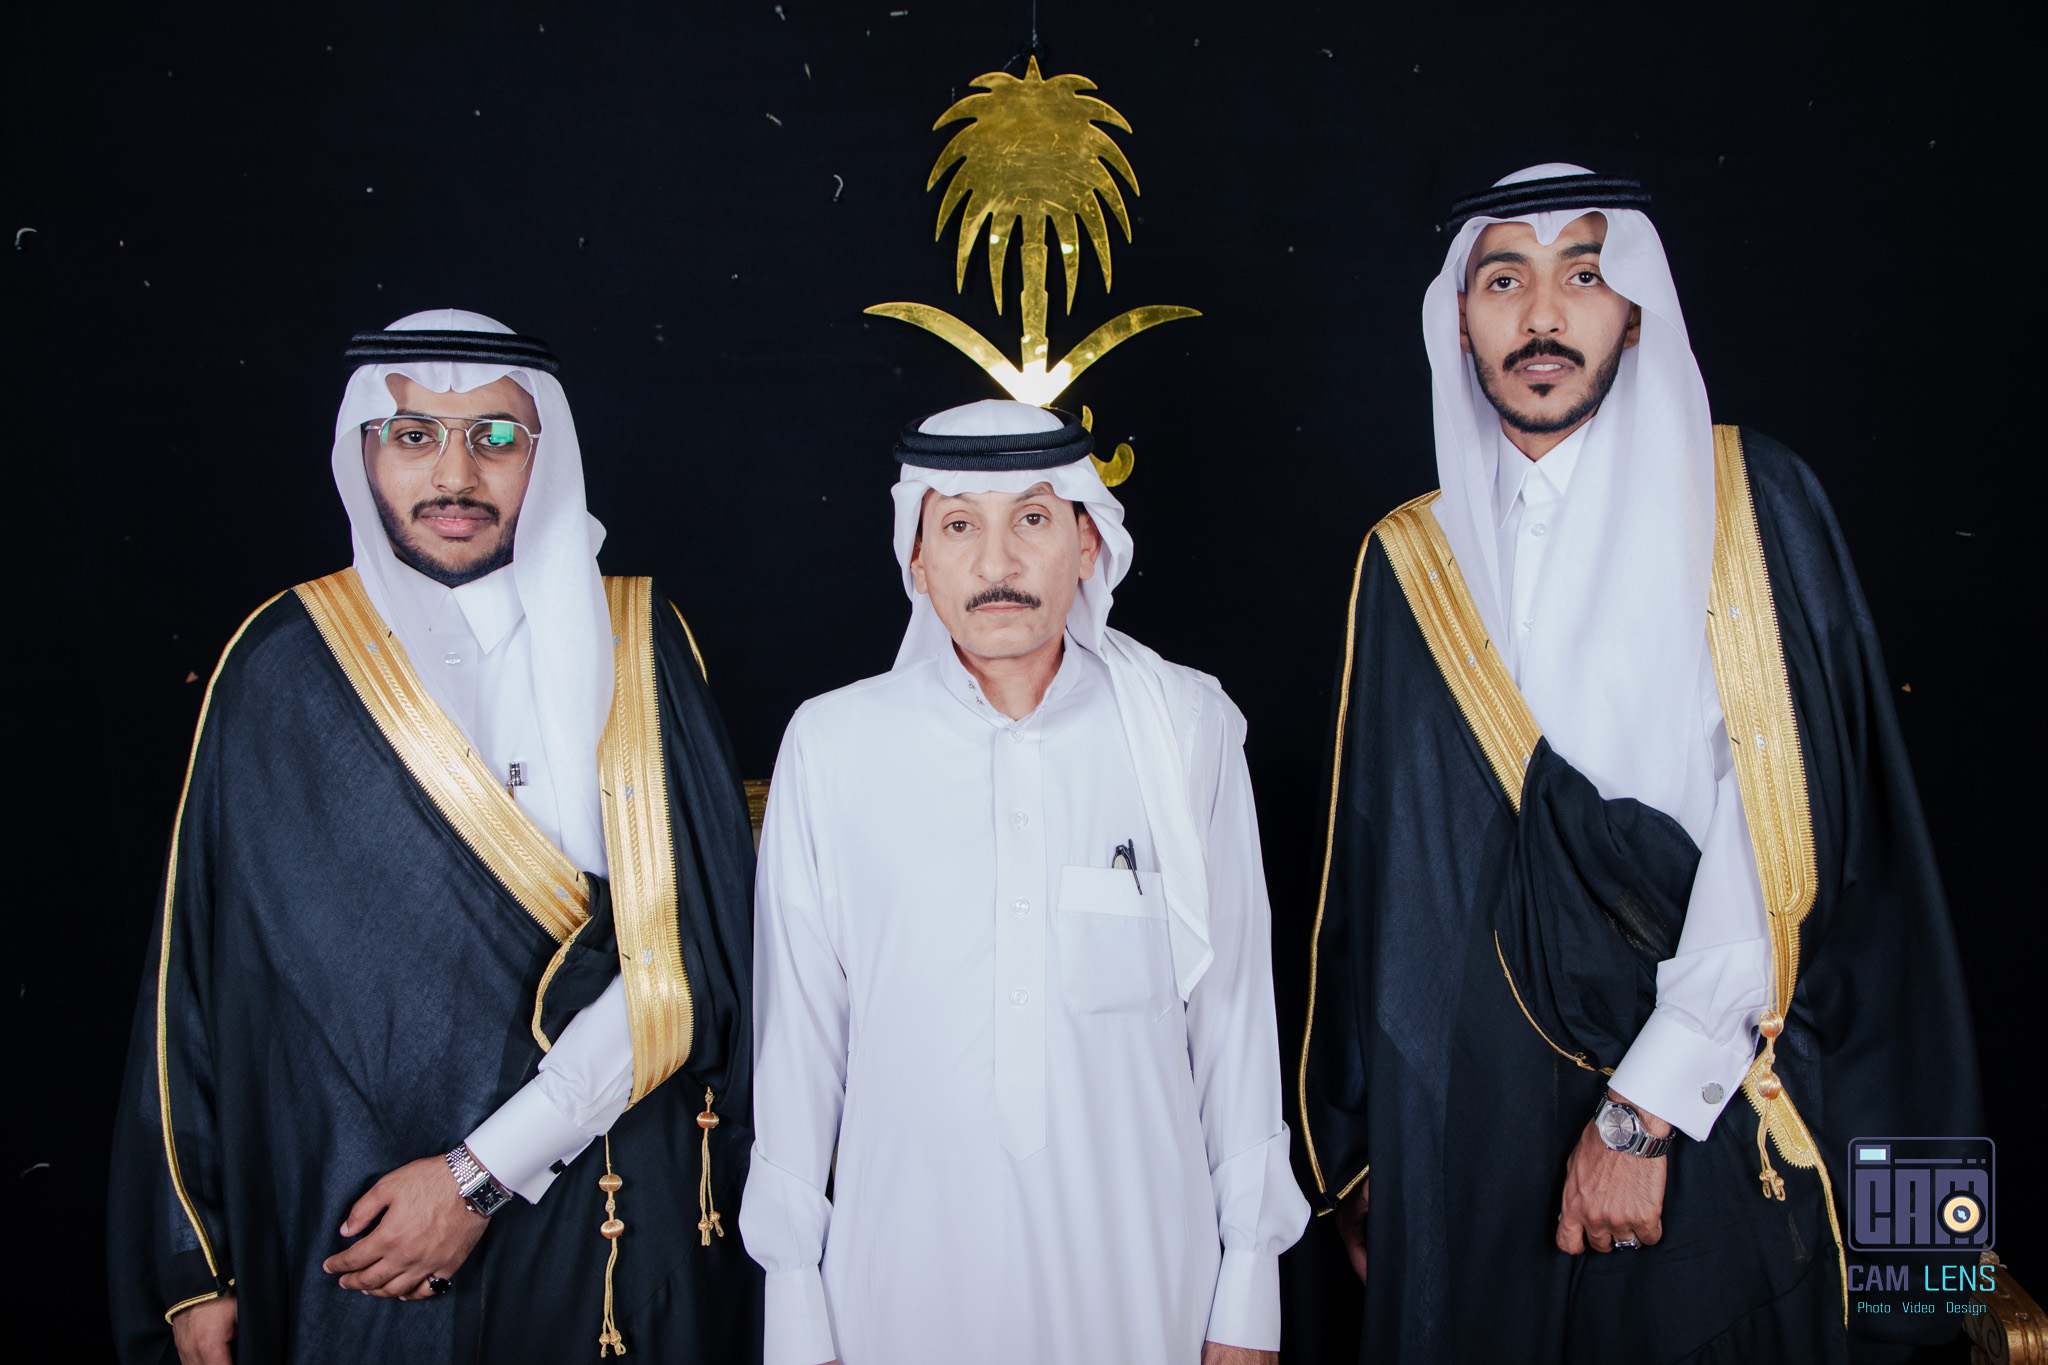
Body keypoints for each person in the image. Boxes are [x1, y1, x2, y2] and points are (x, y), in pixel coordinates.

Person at [1296, 166, 1982, 1361]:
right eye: (1503, 281)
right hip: (1480, 1146)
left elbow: (1784, 831)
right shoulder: (1409, 560)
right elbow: (1377, 881)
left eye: (1583, 274)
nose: (1541, 315)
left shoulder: (1749, 502)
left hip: (1716, 1109)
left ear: (1632, 313)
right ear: (1457, 319)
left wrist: (1640, 1114)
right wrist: (1368, 1157)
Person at [109, 310, 760, 1364]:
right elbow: (192, 981)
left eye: (495, 437)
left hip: (596, 1204)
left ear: (543, 452)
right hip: (348, 1228)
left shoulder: (637, 642)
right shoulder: (278, 663)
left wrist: (478, 1175)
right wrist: (198, 1264)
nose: (455, 474)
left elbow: (693, 956)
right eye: (415, 435)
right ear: (364, 449)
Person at [740, 400, 1309, 1365]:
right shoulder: (834, 744)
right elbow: (799, 1039)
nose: (996, 562)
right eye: (960, 524)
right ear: (917, 558)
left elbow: (1234, 1016)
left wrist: (1250, 1287)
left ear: (1088, 544)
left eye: (1033, 519)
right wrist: (794, 1303)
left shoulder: (1185, 726)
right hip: (898, 1282)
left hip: (1143, 1280)